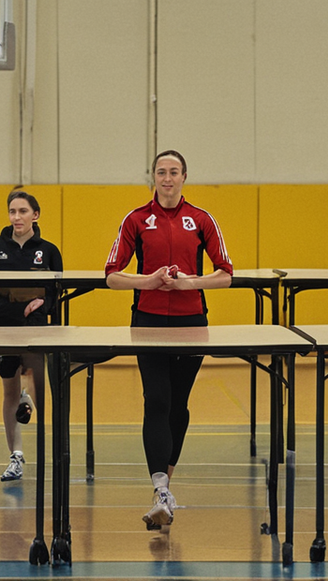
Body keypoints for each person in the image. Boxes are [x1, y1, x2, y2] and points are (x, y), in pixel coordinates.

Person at [104, 150, 233, 530]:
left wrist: (190, 282)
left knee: (179, 404)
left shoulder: (202, 219)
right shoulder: (136, 220)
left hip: (192, 322)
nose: (167, 178)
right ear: (154, 177)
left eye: (174, 172)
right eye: (161, 172)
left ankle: (167, 486)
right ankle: (159, 488)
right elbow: (111, 274)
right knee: (156, 399)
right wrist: (148, 281)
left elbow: (225, 273)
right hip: (147, 321)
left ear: (184, 177)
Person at [0, 190, 63, 481]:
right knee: (9, 391)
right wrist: (19, 307)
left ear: (35, 215)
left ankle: (30, 403)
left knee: (37, 382)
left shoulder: (48, 251)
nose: (16, 217)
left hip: (35, 332)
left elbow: (55, 297)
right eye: (12, 211)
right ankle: (16, 458)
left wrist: (43, 304)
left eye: (23, 211)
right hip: (0, 329)